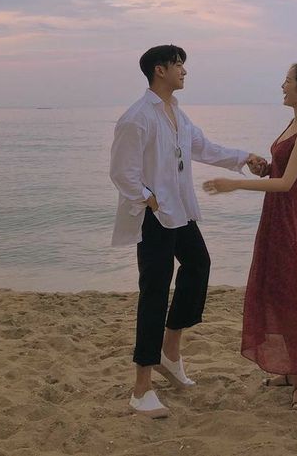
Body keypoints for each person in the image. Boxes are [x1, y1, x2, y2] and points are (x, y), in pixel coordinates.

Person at [110, 44, 265, 418]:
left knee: (198, 266)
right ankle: (141, 389)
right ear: (159, 70)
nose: (184, 70)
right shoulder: (136, 118)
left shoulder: (176, 113)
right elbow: (121, 171)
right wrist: (148, 199)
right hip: (155, 217)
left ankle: (170, 351)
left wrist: (244, 158)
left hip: (181, 212)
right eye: (178, 64)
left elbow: (204, 148)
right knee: (154, 293)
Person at [203, 63, 297, 410]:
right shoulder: (292, 124)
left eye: (288, 81)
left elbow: (288, 184)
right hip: (275, 216)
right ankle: (289, 371)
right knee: (275, 287)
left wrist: (235, 184)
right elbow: (281, 172)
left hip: (290, 218)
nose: (282, 86)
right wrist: (264, 168)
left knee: (295, 293)